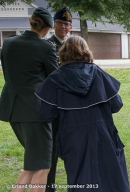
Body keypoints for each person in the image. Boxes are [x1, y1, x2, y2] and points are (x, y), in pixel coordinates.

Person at [35, 35, 130, 192]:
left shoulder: (54, 78)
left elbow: (47, 114)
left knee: (79, 178)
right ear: (86, 51)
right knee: (111, 177)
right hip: (102, 134)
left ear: (63, 52)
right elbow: (116, 105)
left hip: (72, 136)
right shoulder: (98, 73)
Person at [0, 7, 58, 192]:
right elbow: (54, 79)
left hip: (12, 109)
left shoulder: (8, 42)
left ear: (30, 21)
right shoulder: (46, 47)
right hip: (35, 112)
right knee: (42, 166)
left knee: (33, 164)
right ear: (48, 28)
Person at [46, 7, 72, 192]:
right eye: (60, 23)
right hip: (55, 103)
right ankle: (50, 187)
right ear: (53, 24)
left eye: (67, 23)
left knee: (74, 148)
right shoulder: (47, 45)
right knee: (52, 150)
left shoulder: (74, 44)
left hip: (72, 105)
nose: (63, 27)